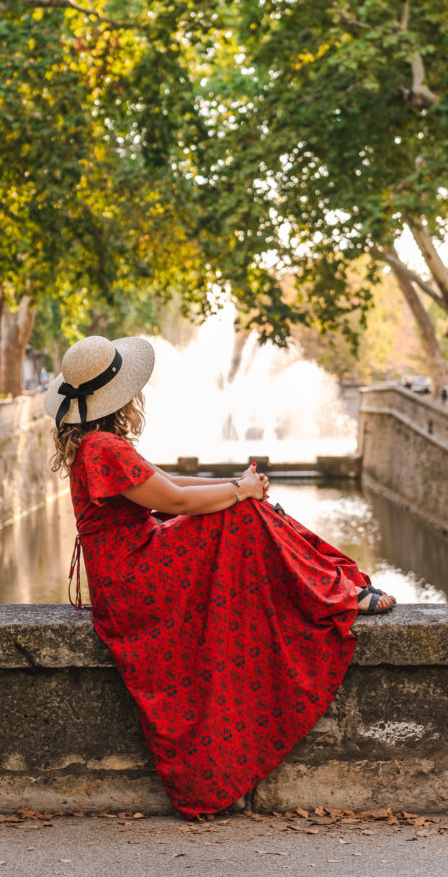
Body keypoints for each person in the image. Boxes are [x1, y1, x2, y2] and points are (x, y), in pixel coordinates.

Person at [45, 335, 395, 819]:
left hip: (127, 576)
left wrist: (237, 485)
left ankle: (333, 585)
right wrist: (239, 490)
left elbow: (170, 485)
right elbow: (178, 503)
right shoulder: (104, 446)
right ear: (121, 394)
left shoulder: (97, 444)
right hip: (137, 580)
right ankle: (335, 590)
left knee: (243, 509)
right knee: (243, 516)